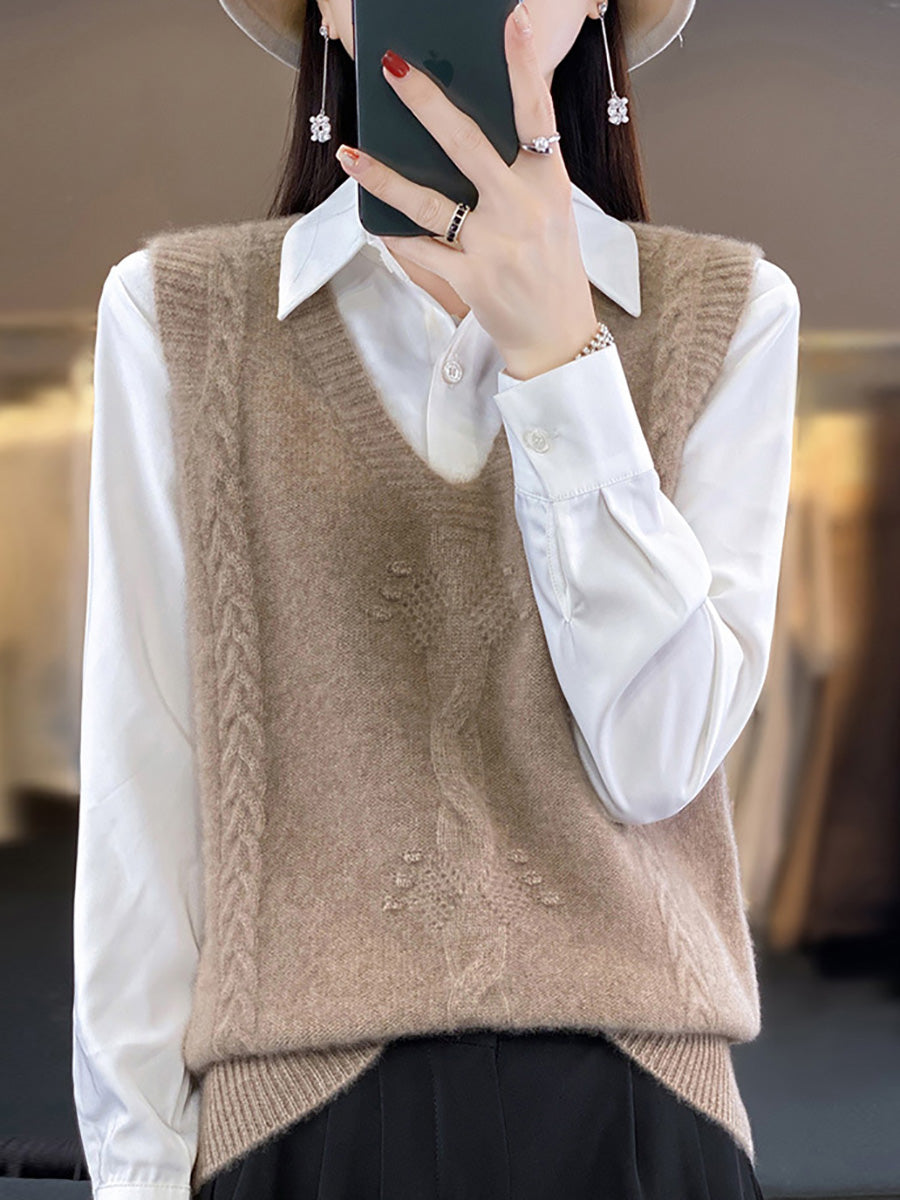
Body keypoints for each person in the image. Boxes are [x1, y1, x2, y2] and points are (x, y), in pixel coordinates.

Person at [72, 0, 800, 1196]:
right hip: (292, 1116)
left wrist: (563, 360)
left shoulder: (728, 313)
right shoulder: (174, 317)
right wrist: (137, 1176)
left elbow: (657, 761)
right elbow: (142, 791)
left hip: (637, 1112)